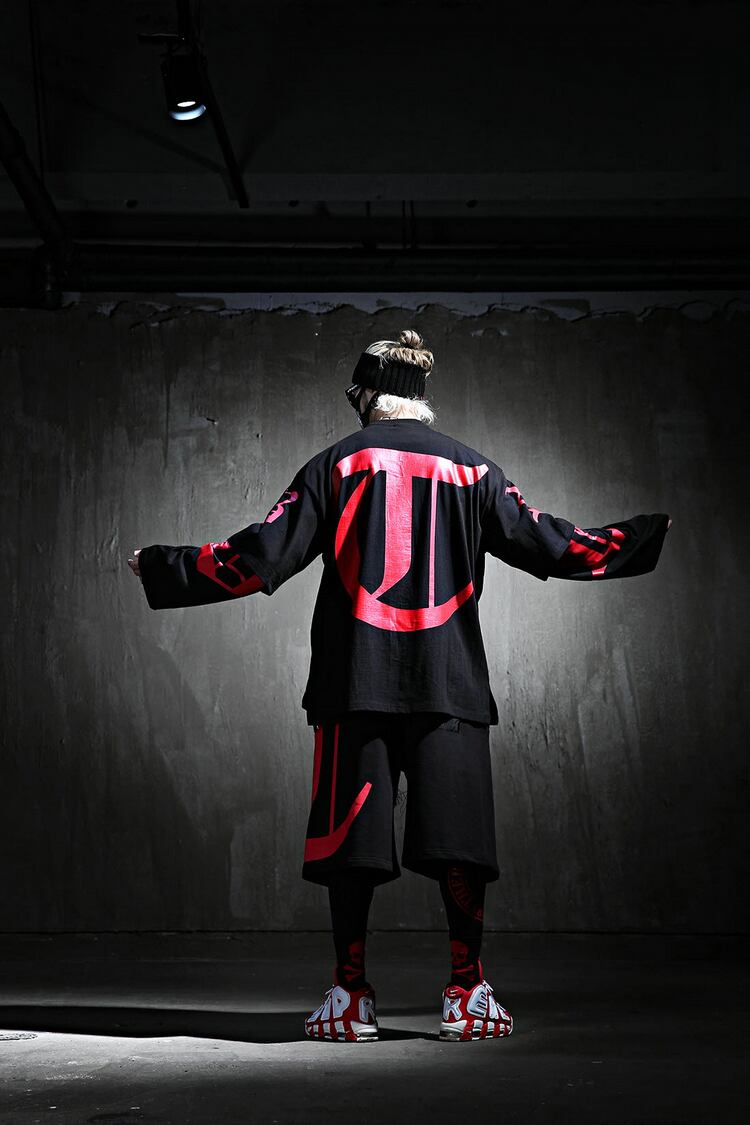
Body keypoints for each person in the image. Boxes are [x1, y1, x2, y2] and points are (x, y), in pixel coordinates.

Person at [128, 328, 671, 1043]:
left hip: (355, 683)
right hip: (450, 684)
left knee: (349, 845)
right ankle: (467, 992)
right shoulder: (475, 470)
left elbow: (258, 558)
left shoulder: (334, 464)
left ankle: (350, 996)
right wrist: (644, 534)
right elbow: (553, 543)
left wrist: (162, 565)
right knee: (461, 844)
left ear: (364, 396)